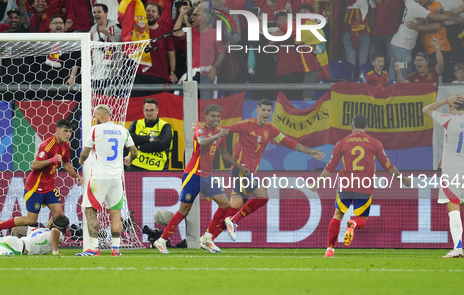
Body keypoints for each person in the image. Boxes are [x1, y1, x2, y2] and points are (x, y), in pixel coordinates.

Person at [214, 99, 325, 241]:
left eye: (268, 110)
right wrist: (204, 129)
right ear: (258, 110)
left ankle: (209, 237)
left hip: (248, 173)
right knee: (263, 197)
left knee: (232, 210)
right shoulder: (246, 125)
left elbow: (288, 142)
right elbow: (226, 129)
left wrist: (310, 152)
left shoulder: (271, 129)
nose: (266, 113)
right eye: (264, 110)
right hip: (242, 170)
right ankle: (234, 221)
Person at [310, 114, 412, 257]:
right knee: (362, 219)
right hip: (364, 185)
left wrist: (317, 183)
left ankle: (329, 250)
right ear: (366, 127)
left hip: (346, 184)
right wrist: (404, 180)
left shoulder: (342, 143)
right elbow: (388, 166)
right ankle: (353, 223)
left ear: (352, 126)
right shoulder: (375, 143)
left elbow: (331, 167)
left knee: (337, 215)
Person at [154, 104, 236, 254]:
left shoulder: (218, 133)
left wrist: (239, 166)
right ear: (207, 117)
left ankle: (207, 238)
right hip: (193, 174)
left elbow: (224, 154)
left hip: (207, 175)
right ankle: (161, 241)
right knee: (184, 211)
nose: (216, 119)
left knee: (225, 204)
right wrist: (219, 135)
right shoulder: (201, 130)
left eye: (218, 116)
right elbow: (202, 142)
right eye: (213, 116)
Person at [0, 120, 83, 240]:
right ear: (57, 131)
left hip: (49, 186)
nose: (68, 134)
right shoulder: (47, 145)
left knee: (59, 215)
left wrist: (76, 176)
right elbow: (34, 165)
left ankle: (44, 237)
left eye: (70, 131)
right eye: (65, 131)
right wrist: (52, 160)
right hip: (35, 187)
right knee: (31, 219)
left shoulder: (66, 146)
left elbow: (66, 164)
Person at [76, 105, 138, 257]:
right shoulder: (123, 130)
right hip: (117, 178)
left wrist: (82, 161)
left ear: (101, 116)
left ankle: (93, 248)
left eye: (95, 117)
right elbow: (134, 152)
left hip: (99, 178)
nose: (94, 119)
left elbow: (85, 151)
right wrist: (129, 159)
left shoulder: (95, 130)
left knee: (90, 209)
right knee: (115, 213)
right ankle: (116, 249)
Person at [423, 94, 464, 258]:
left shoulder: (449, 120)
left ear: (452, 107)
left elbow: (426, 109)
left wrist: (446, 100)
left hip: (451, 171)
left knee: (453, 208)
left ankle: (458, 248)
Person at [128, 98, 173, 171]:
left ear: (157, 111)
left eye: (152, 110)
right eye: (147, 110)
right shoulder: (136, 123)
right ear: (143, 111)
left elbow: (162, 144)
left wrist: (140, 147)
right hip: (135, 165)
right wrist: (148, 139)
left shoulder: (165, 125)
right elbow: (128, 138)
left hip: (157, 167)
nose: (149, 113)